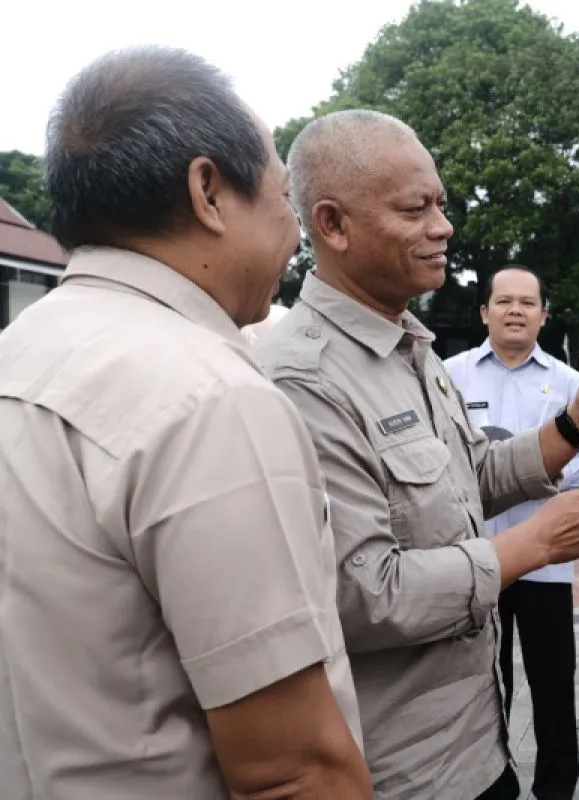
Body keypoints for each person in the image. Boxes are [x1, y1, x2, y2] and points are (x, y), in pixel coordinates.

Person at [0, 48, 370, 799]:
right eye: (282, 196)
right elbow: (293, 770)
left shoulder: (20, 352)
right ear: (209, 192)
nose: (294, 233)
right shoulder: (212, 400)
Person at [254, 109, 579, 800]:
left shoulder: (411, 348)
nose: (444, 227)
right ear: (333, 225)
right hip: (406, 772)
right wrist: (533, 545)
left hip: (475, 744)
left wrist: (573, 426)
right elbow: (363, 593)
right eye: (415, 209)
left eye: (441, 205)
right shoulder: (305, 381)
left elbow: (468, 477)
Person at [443, 265, 579, 800]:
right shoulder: (447, 376)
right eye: (504, 301)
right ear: (484, 311)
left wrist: (534, 469)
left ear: (543, 315)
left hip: (547, 561)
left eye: (527, 302)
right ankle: (492, 782)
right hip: (473, 555)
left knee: (553, 682)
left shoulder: (571, 383)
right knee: (484, 684)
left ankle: (556, 787)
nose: (515, 310)